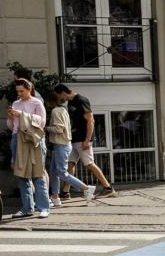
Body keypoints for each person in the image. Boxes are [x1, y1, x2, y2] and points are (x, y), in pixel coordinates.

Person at [52, 85, 116, 198]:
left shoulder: (81, 100)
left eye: (58, 96)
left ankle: (108, 188)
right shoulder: (70, 102)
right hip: (73, 139)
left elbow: (91, 120)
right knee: (70, 164)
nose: (58, 98)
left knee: (89, 163)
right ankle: (65, 192)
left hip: (83, 139)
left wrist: (87, 139)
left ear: (62, 92)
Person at [9, 78, 50, 219]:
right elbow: (11, 126)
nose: (19, 94)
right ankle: (27, 208)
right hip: (17, 138)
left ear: (29, 89)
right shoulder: (15, 103)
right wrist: (9, 117)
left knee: (38, 174)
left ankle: (43, 207)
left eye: (22, 91)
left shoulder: (36, 102)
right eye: (17, 91)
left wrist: (21, 115)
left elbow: (42, 122)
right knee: (21, 174)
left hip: (34, 140)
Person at [45, 94, 95, 207]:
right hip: (62, 144)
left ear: (50, 102)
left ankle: (86, 188)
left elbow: (59, 128)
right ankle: (55, 197)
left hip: (61, 145)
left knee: (62, 172)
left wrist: (45, 128)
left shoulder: (55, 111)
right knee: (53, 172)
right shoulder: (63, 110)